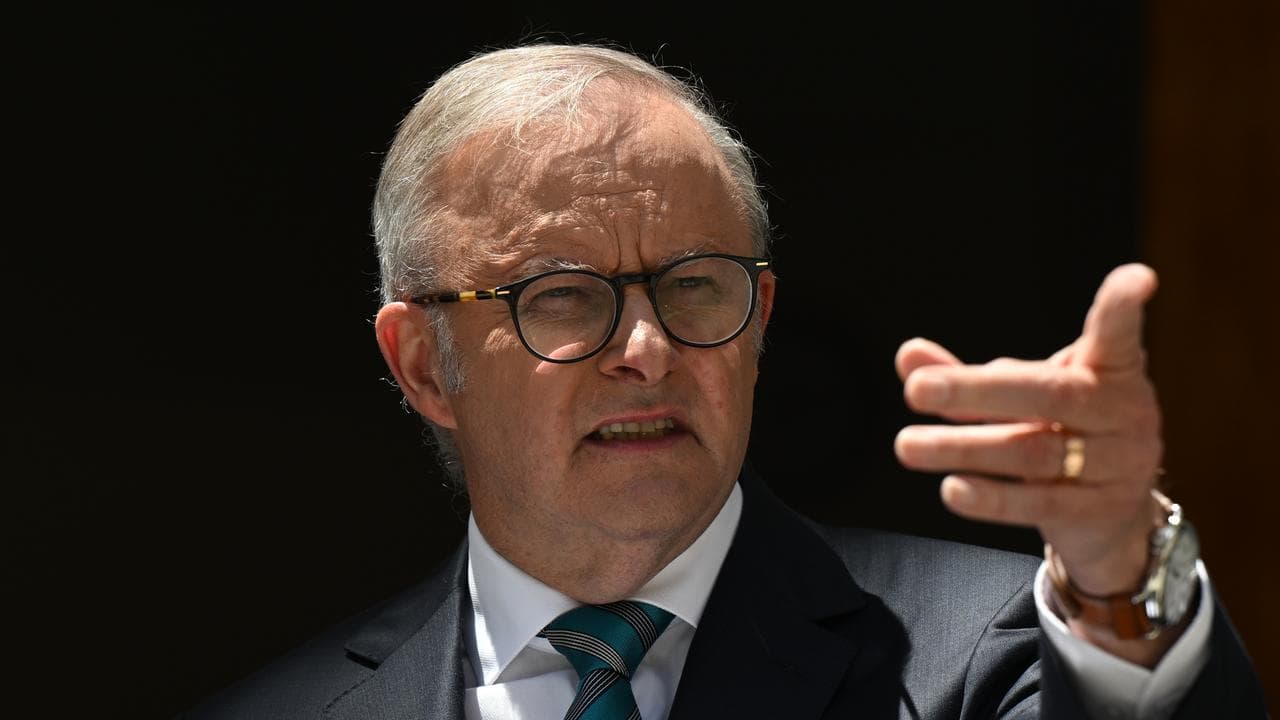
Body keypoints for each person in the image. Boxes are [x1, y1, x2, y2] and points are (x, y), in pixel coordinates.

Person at [186, 44, 1266, 719]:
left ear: (759, 323)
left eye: (695, 286)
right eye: (562, 296)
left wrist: (1121, 578)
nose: (647, 348)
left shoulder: (989, 655)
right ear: (426, 365)